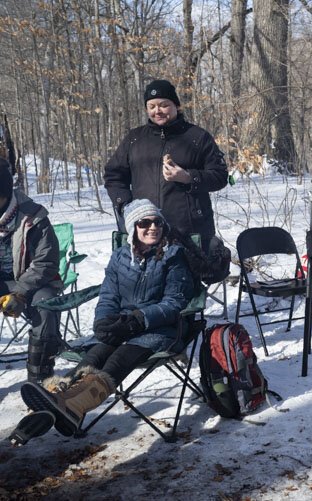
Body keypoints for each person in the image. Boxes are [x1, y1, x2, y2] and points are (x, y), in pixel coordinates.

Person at [19, 199, 194, 438]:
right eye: (144, 223)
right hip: (122, 325)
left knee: (118, 359)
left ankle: (74, 406)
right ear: (133, 227)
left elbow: (174, 303)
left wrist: (139, 319)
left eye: (157, 222)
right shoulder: (120, 257)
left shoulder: (174, 256)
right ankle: (52, 402)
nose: (152, 227)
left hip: (159, 329)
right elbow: (109, 296)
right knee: (94, 356)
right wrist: (103, 322)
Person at [104, 79, 228, 250]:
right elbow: (113, 176)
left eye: (164, 105)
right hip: (146, 229)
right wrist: (126, 205)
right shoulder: (135, 139)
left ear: (176, 105)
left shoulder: (197, 137)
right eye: (152, 106)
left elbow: (220, 176)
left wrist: (188, 177)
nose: (157, 111)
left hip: (189, 229)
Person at [0, 162, 63, 382]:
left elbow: (46, 262)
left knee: (46, 308)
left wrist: (20, 293)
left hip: (34, 283)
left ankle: (40, 379)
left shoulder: (34, 217)